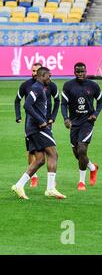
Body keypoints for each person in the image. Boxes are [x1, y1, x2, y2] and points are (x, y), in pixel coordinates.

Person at [11, 67, 66, 200]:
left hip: (33, 128)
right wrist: (41, 121)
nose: (50, 79)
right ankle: (51, 188)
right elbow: (27, 105)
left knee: (40, 160)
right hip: (38, 128)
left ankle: (19, 185)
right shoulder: (37, 88)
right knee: (53, 153)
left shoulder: (40, 88)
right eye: (49, 76)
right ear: (42, 75)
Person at [61, 62, 102, 191]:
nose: (80, 74)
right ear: (74, 72)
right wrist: (66, 118)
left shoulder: (93, 85)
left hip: (87, 122)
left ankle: (81, 182)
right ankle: (92, 167)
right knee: (77, 153)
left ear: (86, 71)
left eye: (82, 71)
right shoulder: (68, 86)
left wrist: (95, 114)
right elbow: (63, 104)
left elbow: (100, 101)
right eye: (78, 72)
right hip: (74, 123)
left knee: (81, 149)